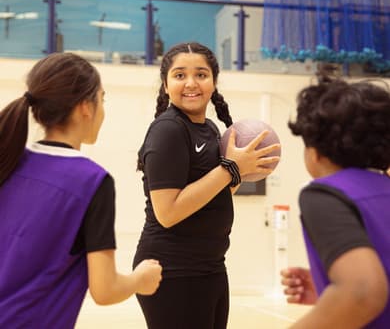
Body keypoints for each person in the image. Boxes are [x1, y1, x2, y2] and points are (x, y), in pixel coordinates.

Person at [0, 52, 162, 328]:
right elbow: (105, 289)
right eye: (102, 98)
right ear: (86, 107)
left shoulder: (9, 161)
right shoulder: (92, 182)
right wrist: (141, 279)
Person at [133, 41, 281, 329]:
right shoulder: (168, 129)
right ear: (165, 85)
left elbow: (217, 194)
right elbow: (168, 212)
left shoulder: (211, 129)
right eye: (179, 75)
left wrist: (243, 170)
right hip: (172, 271)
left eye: (201, 74)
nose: (191, 83)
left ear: (214, 82)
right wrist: (231, 168)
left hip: (211, 267)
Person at [281, 76, 390, 328]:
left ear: (314, 152)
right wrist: (328, 289)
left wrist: (346, 293)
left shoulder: (325, 193)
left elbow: (362, 291)